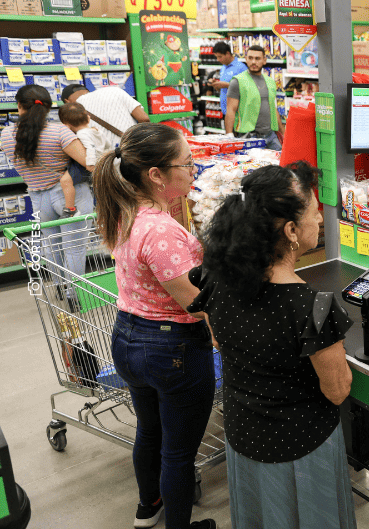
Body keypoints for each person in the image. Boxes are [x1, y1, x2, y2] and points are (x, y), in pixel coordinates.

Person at [189, 163, 356, 529]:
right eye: (314, 212)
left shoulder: (216, 280)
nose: (320, 220)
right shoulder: (312, 307)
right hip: (300, 449)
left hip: (244, 437)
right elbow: (338, 390)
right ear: (291, 230)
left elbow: (218, 339)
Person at [92, 123, 216, 529]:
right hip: (172, 349)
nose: (194, 170)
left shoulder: (126, 213)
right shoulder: (161, 230)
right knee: (178, 453)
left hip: (129, 337)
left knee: (149, 431)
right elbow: (195, 303)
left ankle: (148, 509)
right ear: (156, 175)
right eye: (187, 163)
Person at [0, 85, 92, 301]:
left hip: (38, 197)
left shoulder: (6, 135)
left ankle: (59, 286)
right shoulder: (59, 132)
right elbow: (89, 162)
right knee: (74, 248)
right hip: (70, 195)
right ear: (49, 107)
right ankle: (74, 295)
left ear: (19, 106)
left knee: (52, 245)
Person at [225, 44, 284, 151]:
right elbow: (230, 110)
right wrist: (229, 135)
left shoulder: (270, 81)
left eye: (257, 59)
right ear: (246, 59)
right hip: (249, 136)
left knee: (279, 160)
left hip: (271, 135)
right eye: (250, 58)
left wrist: (283, 133)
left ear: (264, 60)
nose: (253, 62)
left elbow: (273, 108)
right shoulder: (237, 81)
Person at [56, 102, 106, 218]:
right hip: (100, 162)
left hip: (89, 163)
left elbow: (90, 148)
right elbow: (107, 144)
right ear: (88, 118)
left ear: (66, 126)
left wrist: (91, 164)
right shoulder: (97, 130)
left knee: (65, 181)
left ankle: (70, 209)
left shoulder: (82, 134)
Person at [62, 83, 150, 137]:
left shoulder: (75, 111)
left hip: (104, 158)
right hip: (131, 150)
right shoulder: (114, 90)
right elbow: (143, 118)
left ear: (67, 102)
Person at [209, 41, 248, 107]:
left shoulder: (241, 67)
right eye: (216, 57)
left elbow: (246, 88)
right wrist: (216, 85)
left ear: (227, 53)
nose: (218, 60)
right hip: (225, 109)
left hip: (237, 110)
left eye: (220, 57)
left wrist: (227, 85)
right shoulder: (223, 67)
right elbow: (222, 90)